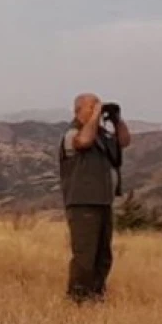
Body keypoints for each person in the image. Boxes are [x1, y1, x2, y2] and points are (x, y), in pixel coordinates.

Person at [57, 93, 131, 303]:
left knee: (103, 254)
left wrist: (117, 119)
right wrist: (95, 116)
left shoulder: (102, 135)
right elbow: (84, 142)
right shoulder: (72, 133)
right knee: (85, 254)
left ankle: (96, 295)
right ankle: (78, 298)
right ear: (78, 110)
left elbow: (124, 142)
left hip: (103, 201)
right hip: (83, 203)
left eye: (98, 107)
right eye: (92, 107)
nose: (97, 111)